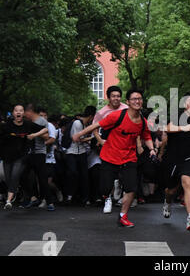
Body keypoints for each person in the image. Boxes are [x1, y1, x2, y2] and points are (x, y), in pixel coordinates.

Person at [72, 89, 156, 227]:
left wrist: (152, 149)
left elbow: (146, 136)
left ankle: (123, 216)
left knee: (131, 188)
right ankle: (107, 195)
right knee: (104, 189)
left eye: (139, 99)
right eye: (134, 99)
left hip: (129, 157)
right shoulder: (117, 116)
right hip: (110, 156)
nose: (137, 101)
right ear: (128, 102)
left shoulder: (142, 121)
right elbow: (96, 125)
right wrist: (79, 134)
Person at [160, 92, 190, 231]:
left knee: (187, 181)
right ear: (185, 104)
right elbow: (167, 128)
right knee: (171, 190)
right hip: (173, 158)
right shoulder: (177, 115)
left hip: (189, 156)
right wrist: (183, 127)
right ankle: (167, 201)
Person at [0, 104, 48, 210]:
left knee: (15, 175)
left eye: (21, 111)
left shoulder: (28, 124)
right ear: (13, 113)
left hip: (21, 156)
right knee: (8, 179)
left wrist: (34, 135)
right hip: (7, 156)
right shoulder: (6, 125)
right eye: (16, 111)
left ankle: (9, 200)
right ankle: (13, 192)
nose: (18, 112)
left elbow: (45, 130)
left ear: (23, 113)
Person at [92, 86, 128, 214]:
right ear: (109, 97)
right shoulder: (102, 112)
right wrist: (101, 141)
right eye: (113, 96)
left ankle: (119, 188)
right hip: (109, 146)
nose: (116, 98)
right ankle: (108, 199)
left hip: (125, 146)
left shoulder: (126, 109)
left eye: (118, 96)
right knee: (107, 177)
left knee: (126, 173)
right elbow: (94, 129)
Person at [64, 106, 96, 206]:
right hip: (72, 152)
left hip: (81, 152)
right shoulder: (78, 123)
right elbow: (76, 139)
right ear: (91, 116)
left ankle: (84, 198)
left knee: (84, 175)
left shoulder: (85, 124)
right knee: (73, 173)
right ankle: (70, 195)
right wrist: (92, 138)